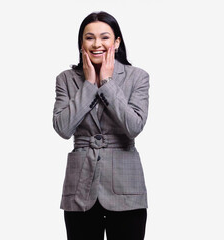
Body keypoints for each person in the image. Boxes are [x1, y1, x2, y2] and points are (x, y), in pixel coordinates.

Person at [52, 11, 150, 240]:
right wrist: (88, 84)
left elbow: (134, 126)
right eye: (89, 37)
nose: (97, 44)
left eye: (105, 37)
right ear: (81, 43)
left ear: (116, 42)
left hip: (126, 186)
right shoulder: (66, 79)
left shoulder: (137, 77)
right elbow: (63, 128)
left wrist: (106, 82)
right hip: (79, 187)